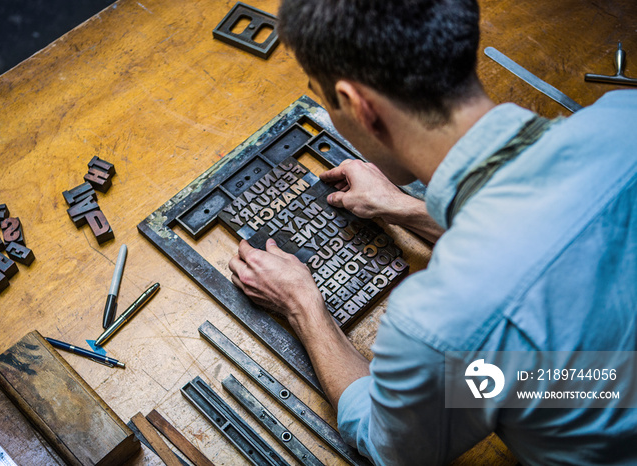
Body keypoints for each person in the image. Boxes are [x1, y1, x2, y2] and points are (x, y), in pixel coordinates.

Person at [228, 0, 637, 464]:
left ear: (360, 106)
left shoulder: (443, 324)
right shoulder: (626, 113)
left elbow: (391, 446)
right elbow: (541, 241)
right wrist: (406, 209)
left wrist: (302, 306)